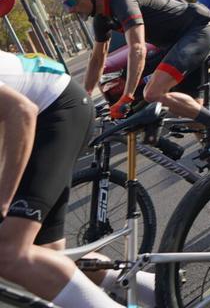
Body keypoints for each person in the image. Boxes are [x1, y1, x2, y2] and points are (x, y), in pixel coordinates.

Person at [58, 0, 210, 156]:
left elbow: (137, 48)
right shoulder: (101, 19)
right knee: (194, 118)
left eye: (71, 2)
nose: (70, 10)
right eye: (65, 6)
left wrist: (128, 95)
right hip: (178, 46)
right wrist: (85, 98)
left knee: (152, 93)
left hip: (197, 33)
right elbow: (97, 59)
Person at [0, 49, 125, 308]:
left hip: (57, 110)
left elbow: (22, 111)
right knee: (48, 258)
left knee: (8, 253)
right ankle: (158, 288)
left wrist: (4, 198)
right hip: (53, 111)